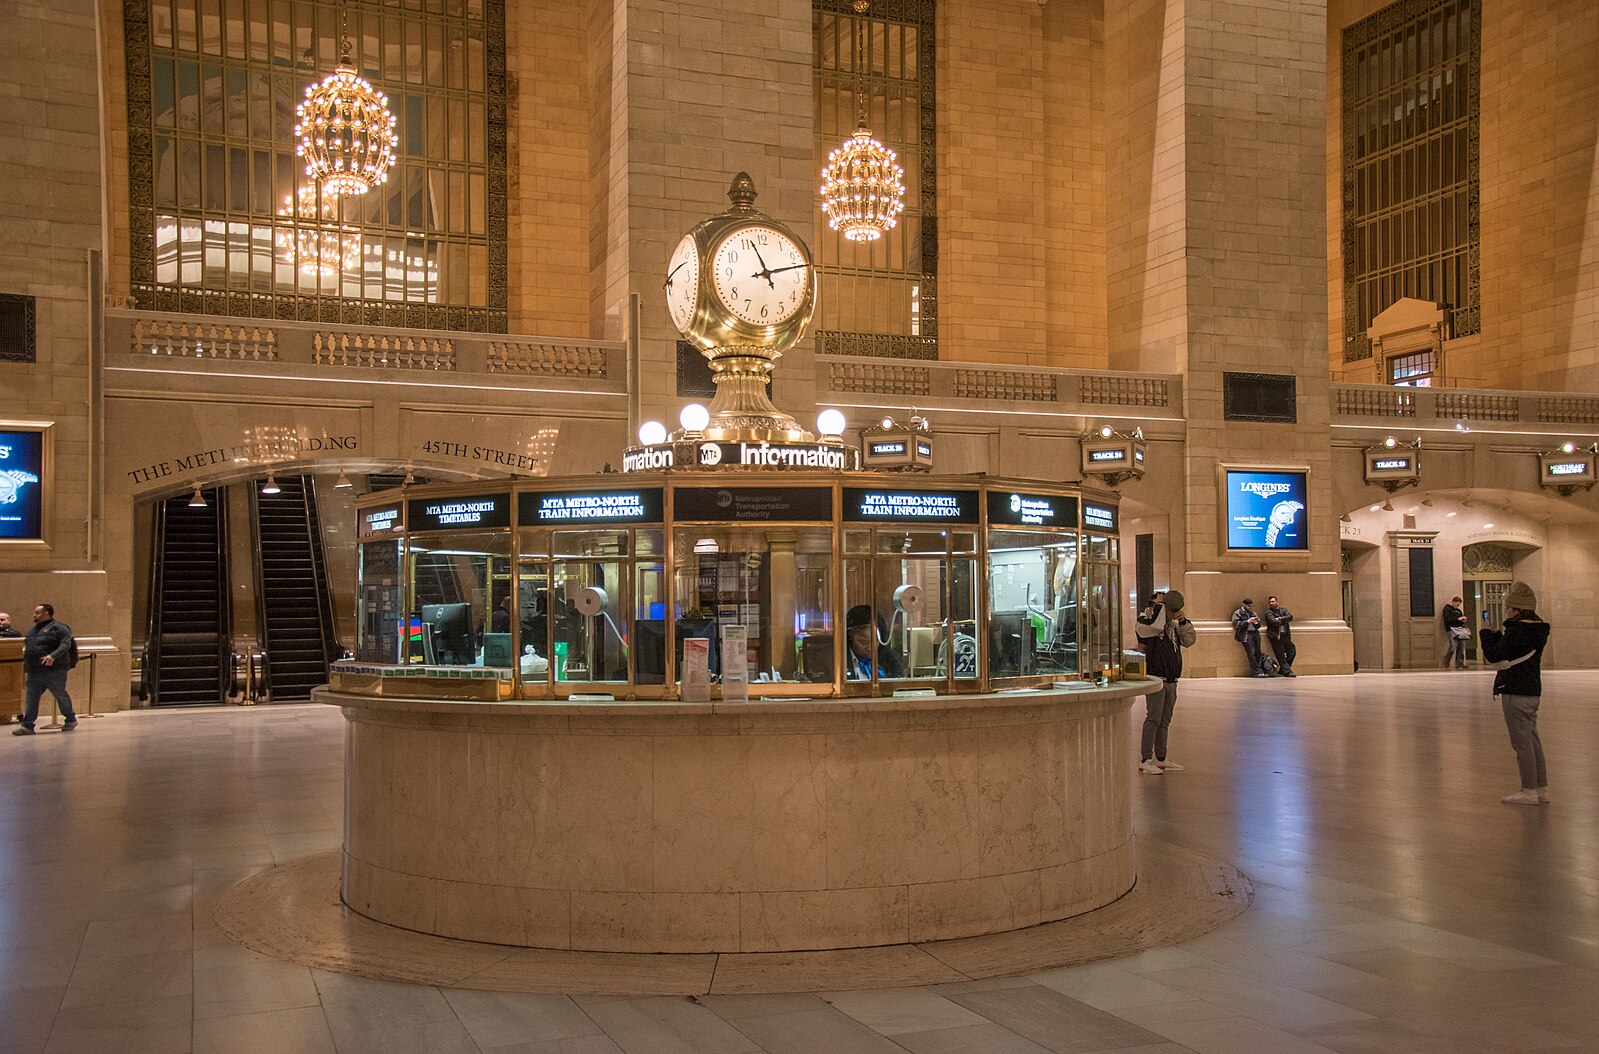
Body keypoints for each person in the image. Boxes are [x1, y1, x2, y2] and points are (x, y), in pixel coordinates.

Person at [1478, 582, 1550, 806]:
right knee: (1532, 740)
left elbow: (1495, 656)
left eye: (1509, 607)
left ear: (1517, 609)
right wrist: (1498, 634)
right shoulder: (1536, 630)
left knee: (1522, 743)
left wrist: (1484, 633)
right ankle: (1541, 788)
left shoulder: (1518, 631)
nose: (1507, 610)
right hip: (1531, 691)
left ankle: (1528, 790)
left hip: (1515, 691)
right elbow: (1511, 649)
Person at [1134, 590, 1196, 774]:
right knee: (1153, 718)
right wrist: (1161, 606)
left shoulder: (1174, 624)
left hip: (1171, 678)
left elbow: (1190, 641)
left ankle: (1161, 758)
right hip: (1155, 677)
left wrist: (1183, 622)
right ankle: (1145, 759)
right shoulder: (1145, 620)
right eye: (1160, 602)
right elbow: (1154, 627)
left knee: (1165, 720)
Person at [14, 604, 77, 736]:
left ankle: (70, 719)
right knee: (31, 697)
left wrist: (53, 655)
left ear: (47, 613)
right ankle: (27, 725)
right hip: (35, 671)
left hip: (54, 670)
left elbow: (66, 643)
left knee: (60, 694)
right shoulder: (33, 631)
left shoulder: (59, 628)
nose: (34, 615)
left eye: (37, 612)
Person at [845, 604, 903, 679]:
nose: (869, 648)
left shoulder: (892, 659)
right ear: (850, 635)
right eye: (863, 642)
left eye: (875, 641)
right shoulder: (834, 662)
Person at [1231, 598, 1269, 676]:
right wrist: (1247, 621)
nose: (1250, 607)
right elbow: (1235, 623)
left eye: (1251, 606)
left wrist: (1255, 622)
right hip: (1246, 634)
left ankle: (1259, 669)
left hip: (1255, 633)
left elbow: (1259, 625)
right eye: (1249, 606)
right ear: (1244, 605)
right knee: (1251, 652)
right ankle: (1256, 671)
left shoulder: (1253, 613)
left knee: (1258, 652)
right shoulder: (1238, 613)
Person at [1263, 595, 1297, 677]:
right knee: (1280, 654)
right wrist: (1283, 620)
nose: (1271, 603)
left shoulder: (1283, 610)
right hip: (1275, 637)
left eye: (1273, 601)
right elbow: (1274, 622)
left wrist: (1280, 618)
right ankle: (1287, 671)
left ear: (1277, 602)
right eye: (1270, 602)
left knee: (1292, 651)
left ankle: (1283, 669)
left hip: (1285, 636)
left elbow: (1290, 617)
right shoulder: (1268, 613)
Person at [1441, 595, 1468, 669]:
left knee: (1461, 646)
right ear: (1453, 602)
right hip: (1451, 629)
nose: (1457, 606)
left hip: (1459, 629)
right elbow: (1447, 619)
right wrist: (1458, 619)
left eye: (1459, 605)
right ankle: (1446, 659)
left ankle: (1460, 663)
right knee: (1453, 646)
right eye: (1457, 604)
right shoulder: (1447, 609)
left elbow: (1460, 620)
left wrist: (1462, 620)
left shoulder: (1459, 611)